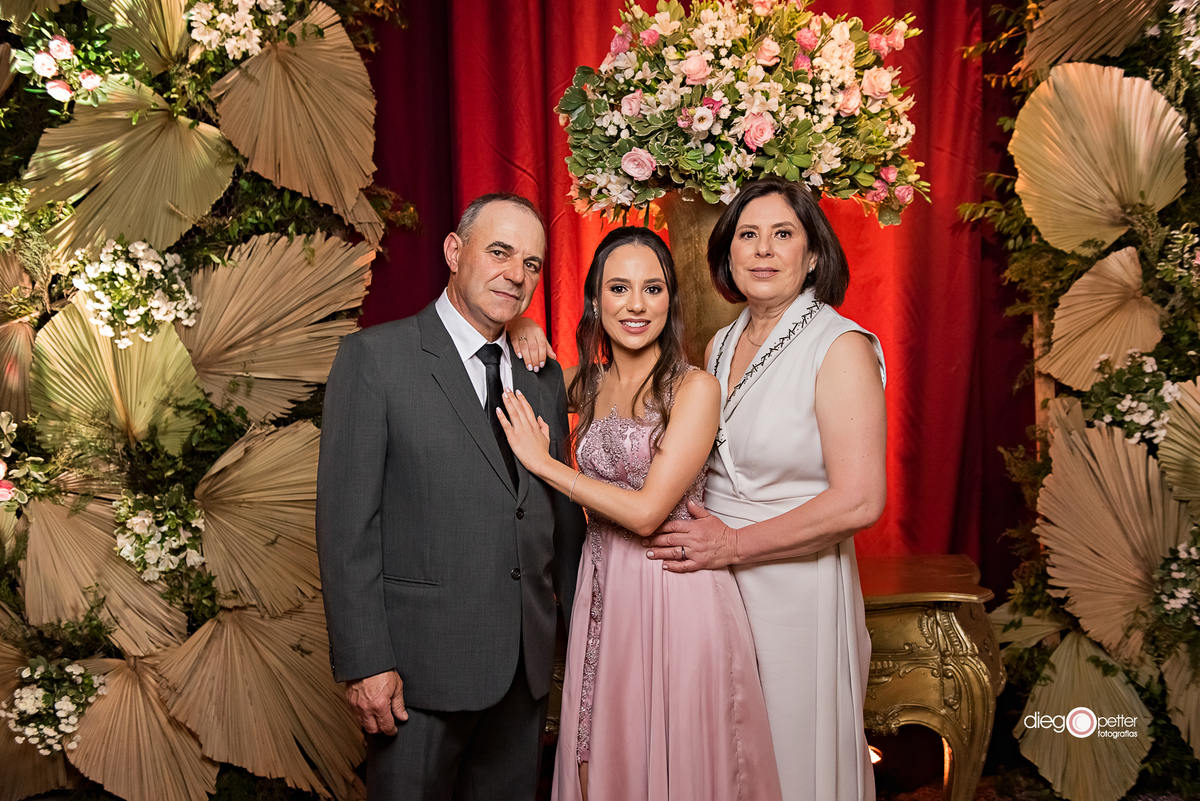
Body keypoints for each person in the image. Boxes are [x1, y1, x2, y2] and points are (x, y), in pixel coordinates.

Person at [315, 192, 588, 801]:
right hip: (416, 673)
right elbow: (345, 528)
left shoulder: (540, 373)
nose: (516, 275)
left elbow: (555, 516)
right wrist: (365, 662)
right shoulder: (375, 360)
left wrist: (584, 638)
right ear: (453, 251)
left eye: (533, 264)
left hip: (522, 670)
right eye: (499, 252)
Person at [497, 226, 781, 801]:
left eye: (652, 289)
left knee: (680, 760)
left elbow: (650, 511)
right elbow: (501, 367)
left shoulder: (695, 388)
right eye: (619, 288)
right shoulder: (583, 384)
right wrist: (519, 326)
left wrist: (547, 466)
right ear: (596, 300)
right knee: (604, 754)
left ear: (670, 300)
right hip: (605, 589)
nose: (635, 305)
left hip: (677, 590)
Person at [643, 178, 887, 801]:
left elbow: (860, 499)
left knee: (789, 760)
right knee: (729, 760)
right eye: (747, 235)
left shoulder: (839, 346)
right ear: (727, 253)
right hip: (716, 587)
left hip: (795, 589)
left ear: (813, 255)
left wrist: (733, 545)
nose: (763, 250)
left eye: (783, 234)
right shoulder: (721, 344)